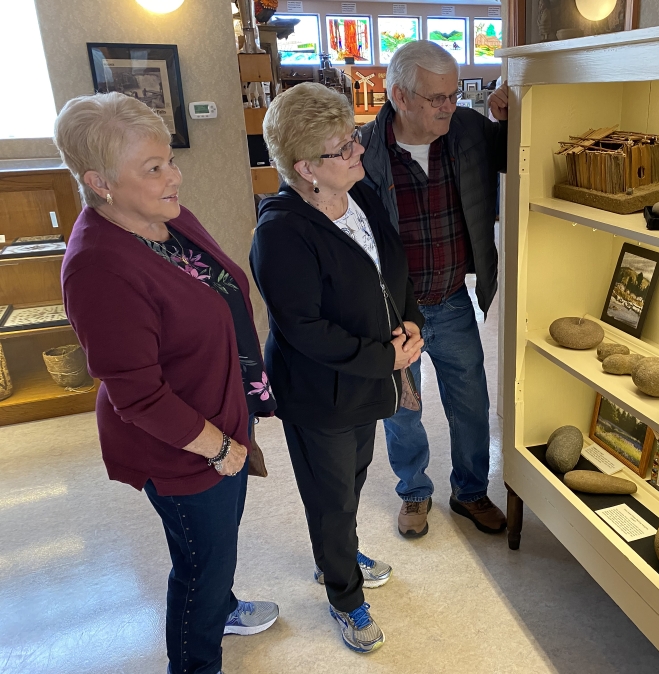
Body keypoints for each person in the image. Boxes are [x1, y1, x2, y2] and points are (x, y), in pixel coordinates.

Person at [56, 92, 278, 674]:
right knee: (201, 569)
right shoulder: (98, 266)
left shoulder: (167, 219)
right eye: (153, 168)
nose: (175, 177)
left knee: (218, 549)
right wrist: (220, 448)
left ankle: (224, 608)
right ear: (100, 182)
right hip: (184, 446)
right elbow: (138, 395)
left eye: (170, 161)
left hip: (222, 414)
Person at [250, 82, 424, 654]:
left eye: (354, 137)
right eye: (343, 147)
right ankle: (345, 597)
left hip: (367, 379)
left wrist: (412, 320)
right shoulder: (280, 232)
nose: (359, 150)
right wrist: (385, 357)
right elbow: (303, 328)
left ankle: (338, 557)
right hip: (319, 391)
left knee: (351, 478)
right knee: (331, 497)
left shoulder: (360, 194)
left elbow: (391, 269)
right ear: (305, 168)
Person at [360, 40, 509, 537]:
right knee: (403, 409)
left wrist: (508, 114)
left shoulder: (468, 130)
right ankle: (414, 492)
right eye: (436, 98)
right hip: (393, 313)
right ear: (400, 96)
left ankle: (470, 492)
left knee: (471, 403)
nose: (449, 106)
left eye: (453, 94)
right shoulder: (366, 150)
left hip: (451, 299)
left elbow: (517, 151)